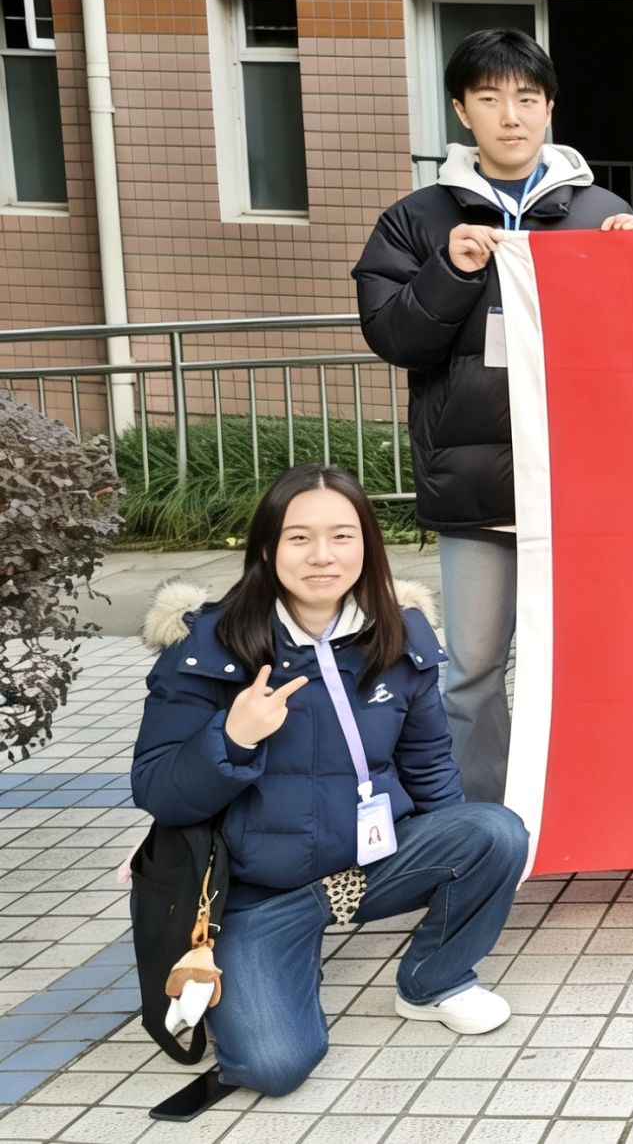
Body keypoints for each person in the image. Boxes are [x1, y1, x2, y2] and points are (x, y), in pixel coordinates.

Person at [134, 465, 528, 1096]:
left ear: (366, 545)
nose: (323, 556)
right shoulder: (207, 647)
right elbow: (156, 789)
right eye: (299, 538)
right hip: (258, 892)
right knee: (273, 1066)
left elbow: (430, 765)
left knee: (494, 832)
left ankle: (432, 983)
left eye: (343, 536)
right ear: (268, 548)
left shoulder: (398, 634)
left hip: (370, 865)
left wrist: (455, 859)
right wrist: (232, 737)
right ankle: (280, 959)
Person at [353, 29, 633, 805]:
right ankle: (486, 825)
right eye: (489, 98)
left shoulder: (604, 214)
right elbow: (394, 337)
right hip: (473, 489)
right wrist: (450, 269)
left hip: (581, 488)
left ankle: (583, 808)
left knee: (587, 664)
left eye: (526, 98)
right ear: (460, 109)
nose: (510, 115)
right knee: (474, 669)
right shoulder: (416, 220)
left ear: (549, 107)